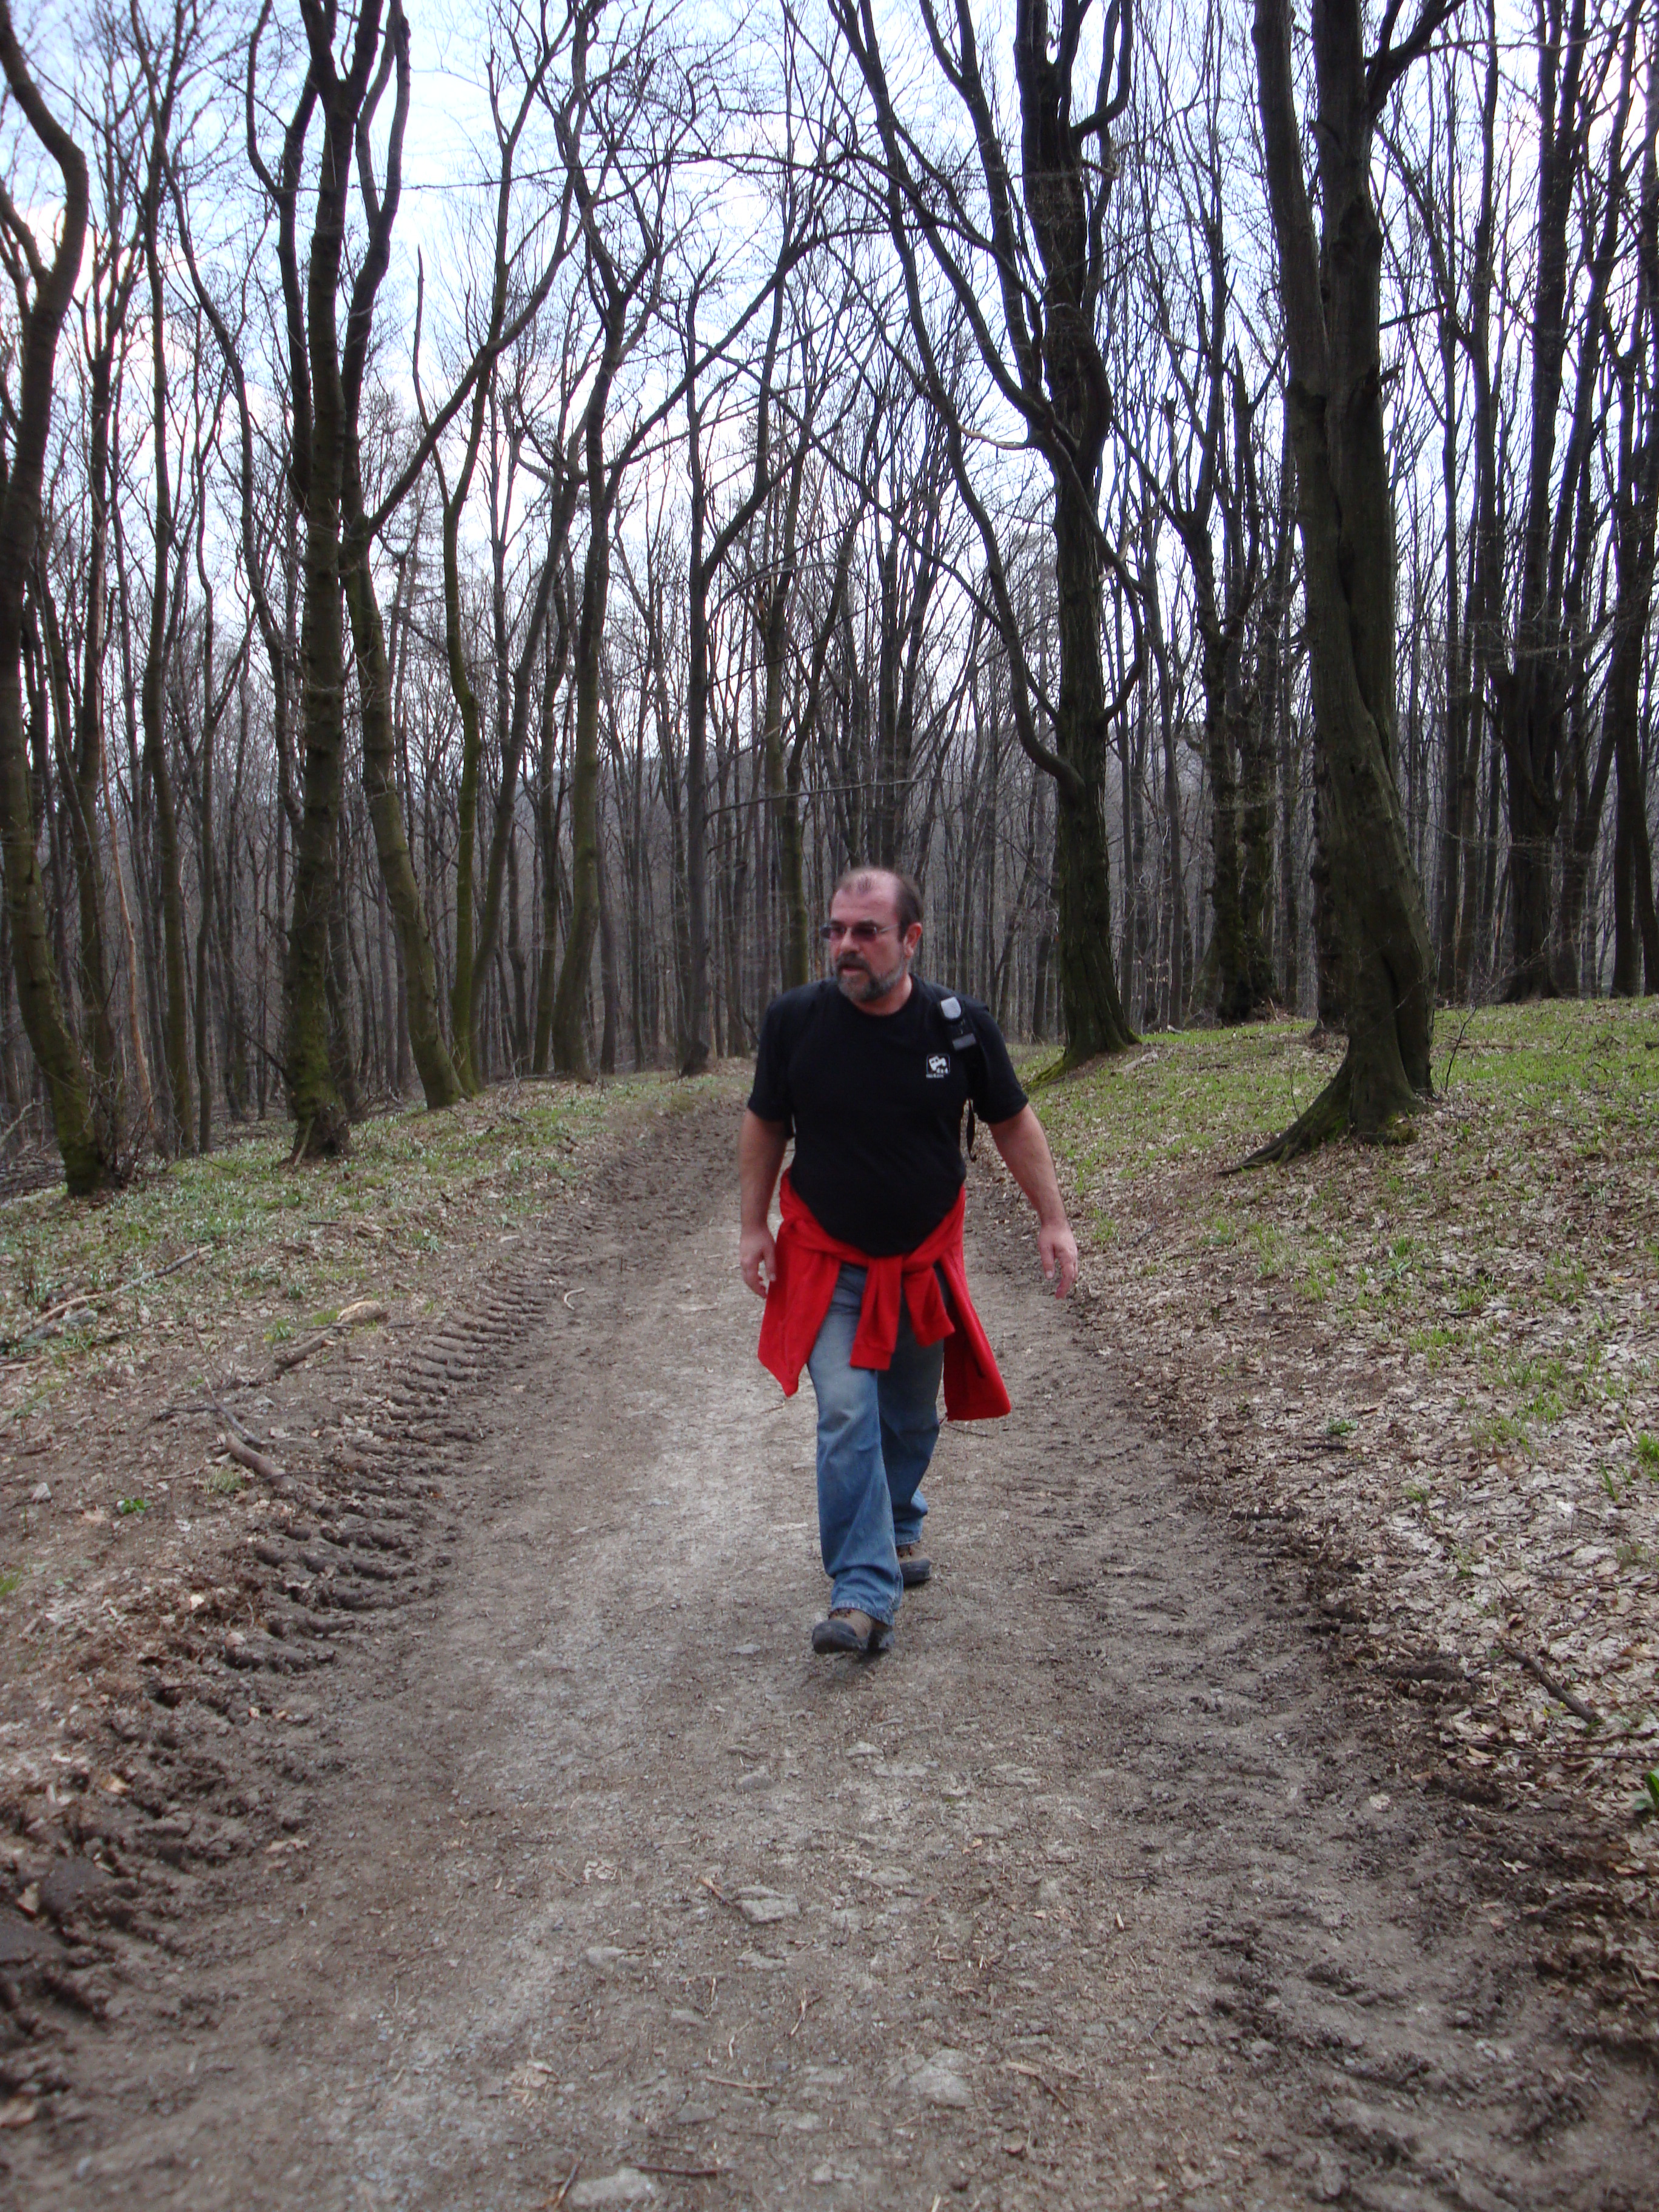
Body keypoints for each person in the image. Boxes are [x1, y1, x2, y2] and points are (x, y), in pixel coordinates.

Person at [739, 865, 1079, 1656]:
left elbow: (1012, 1123)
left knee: (909, 1414)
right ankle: (862, 1590)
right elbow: (765, 1123)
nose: (846, 946)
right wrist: (753, 1225)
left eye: (867, 931)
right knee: (847, 1411)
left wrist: (1053, 1219)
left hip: (923, 1261)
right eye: (836, 930)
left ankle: (896, 1520)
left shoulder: (958, 1026)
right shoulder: (795, 1021)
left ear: (911, 938)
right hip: (825, 1259)